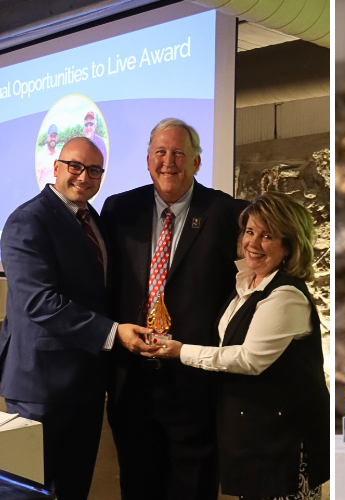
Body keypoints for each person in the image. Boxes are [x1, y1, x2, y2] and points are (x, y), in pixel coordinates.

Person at [0, 137, 156, 500]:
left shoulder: (92, 219)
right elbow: (39, 302)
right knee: (28, 493)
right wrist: (114, 333)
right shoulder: (28, 220)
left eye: (94, 170)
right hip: (39, 387)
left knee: (73, 489)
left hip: (85, 385)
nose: (84, 177)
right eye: (75, 166)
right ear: (56, 168)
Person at [148, 192, 330, 498]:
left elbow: (249, 359)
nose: (253, 243)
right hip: (257, 438)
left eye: (267, 235)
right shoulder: (246, 284)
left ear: (289, 245)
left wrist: (180, 351)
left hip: (283, 443)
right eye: (249, 231)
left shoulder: (285, 295)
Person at [102, 118, 247, 500]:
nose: (169, 162)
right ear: (148, 160)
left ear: (197, 162)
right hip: (131, 382)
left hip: (193, 385)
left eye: (179, 153)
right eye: (161, 153)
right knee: (137, 485)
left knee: (193, 489)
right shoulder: (118, 210)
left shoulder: (226, 213)